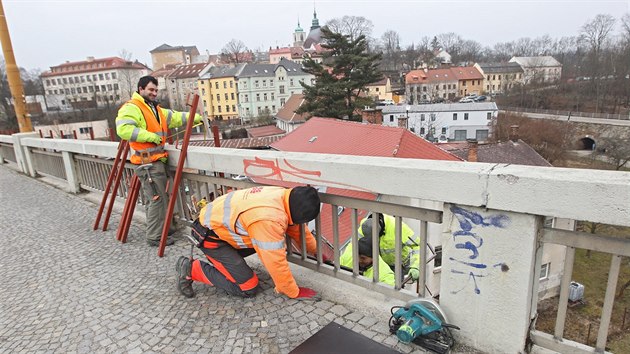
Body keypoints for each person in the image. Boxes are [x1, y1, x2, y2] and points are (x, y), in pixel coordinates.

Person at [176, 186, 323, 301]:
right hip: (210, 238)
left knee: (263, 245)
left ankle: (227, 264)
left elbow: (297, 229)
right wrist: (292, 291)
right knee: (248, 287)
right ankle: (191, 269)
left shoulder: (282, 195)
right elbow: (274, 260)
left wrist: (315, 251)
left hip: (220, 230)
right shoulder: (268, 219)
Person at [116, 76, 202, 247]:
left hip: (155, 161)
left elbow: (176, 117)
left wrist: (197, 117)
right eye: (151, 90)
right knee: (156, 199)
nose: (154, 93)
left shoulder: (154, 109)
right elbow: (123, 129)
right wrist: (150, 137)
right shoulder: (132, 107)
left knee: (156, 198)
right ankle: (155, 236)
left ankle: (161, 229)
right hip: (148, 163)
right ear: (141, 89)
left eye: (156, 90)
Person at [358, 213, 421, 281]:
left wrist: (416, 266)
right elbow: (355, 246)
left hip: (400, 265)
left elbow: (419, 246)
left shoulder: (398, 227)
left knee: (397, 287)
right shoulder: (365, 226)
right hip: (382, 265)